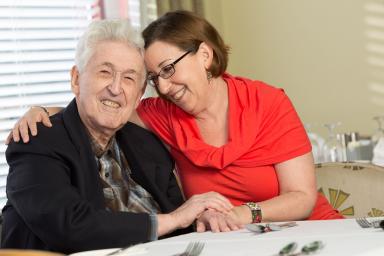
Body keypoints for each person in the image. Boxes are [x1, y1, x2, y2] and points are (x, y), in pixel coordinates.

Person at [8, 11, 343, 232]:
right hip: (236, 243)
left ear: (205, 56)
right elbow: (105, 105)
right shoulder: (163, 114)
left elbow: (302, 197)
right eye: (154, 78)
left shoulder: (266, 102)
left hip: (307, 230)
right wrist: (44, 109)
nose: (164, 87)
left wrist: (242, 214)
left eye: (168, 69)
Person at [1, 19, 234, 253]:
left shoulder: (146, 143)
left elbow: (182, 225)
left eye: (129, 78)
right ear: (76, 79)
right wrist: (173, 219)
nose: (115, 88)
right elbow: (68, 226)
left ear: (139, 94)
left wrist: (202, 217)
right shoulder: (37, 141)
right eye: (105, 72)